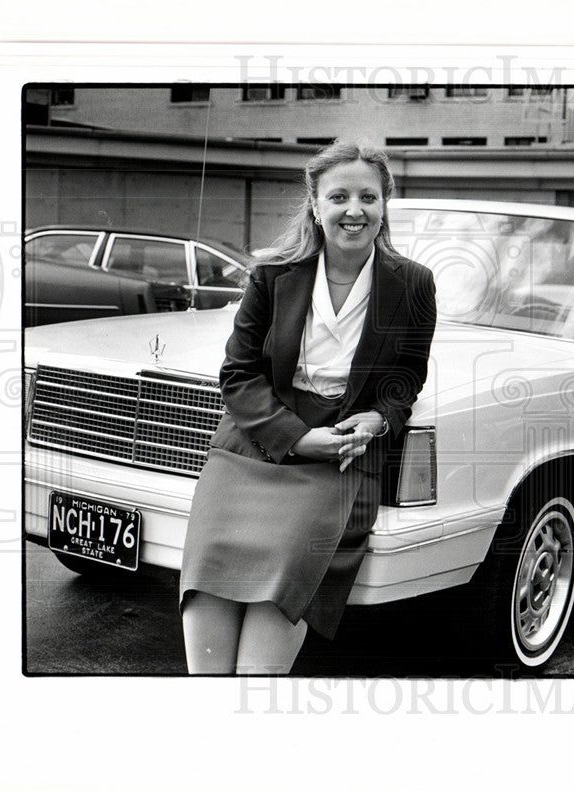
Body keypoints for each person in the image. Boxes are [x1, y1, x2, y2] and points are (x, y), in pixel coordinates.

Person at [179, 140, 436, 674]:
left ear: (385, 204)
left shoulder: (413, 283)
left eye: (368, 196)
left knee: (260, 659)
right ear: (315, 204)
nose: (354, 210)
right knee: (208, 617)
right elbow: (238, 372)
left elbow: (406, 378)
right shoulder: (273, 275)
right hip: (253, 450)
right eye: (338, 196)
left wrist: (379, 417)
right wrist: (294, 438)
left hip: (338, 459)